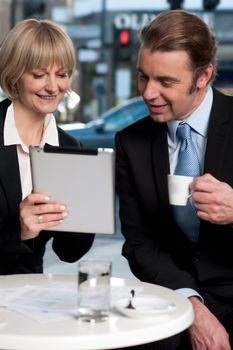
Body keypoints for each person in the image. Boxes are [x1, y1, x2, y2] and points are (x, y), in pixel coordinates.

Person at [115, 9, 233, 350]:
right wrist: (193, 306)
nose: (148, 93)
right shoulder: (130, 142)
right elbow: (139, 243)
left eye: (166, 82)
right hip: (172, 298)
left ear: (203, 76)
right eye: (143, 77)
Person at [0, 18, 94, 274]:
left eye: (62, 75)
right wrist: (17, 229)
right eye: (39, 75)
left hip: (29, 293)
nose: (53, 87)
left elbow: (69, 252)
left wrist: (89, 207)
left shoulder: (69, 147)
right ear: (14, 74)